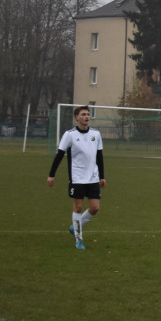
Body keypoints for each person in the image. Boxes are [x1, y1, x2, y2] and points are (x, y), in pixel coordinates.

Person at [47, 105, 105, 250]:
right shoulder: (70, 135)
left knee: (95, 207)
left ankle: (75, 227)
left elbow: (99, 156)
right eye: (83, 114)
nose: (86, 117)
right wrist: (51, 175)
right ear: (77, 117)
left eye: (87, 114)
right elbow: (59, 155)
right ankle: (79, 239)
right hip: (77, 177)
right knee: (78, 207)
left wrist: (102, 177)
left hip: (92, 177)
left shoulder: (96, 134)